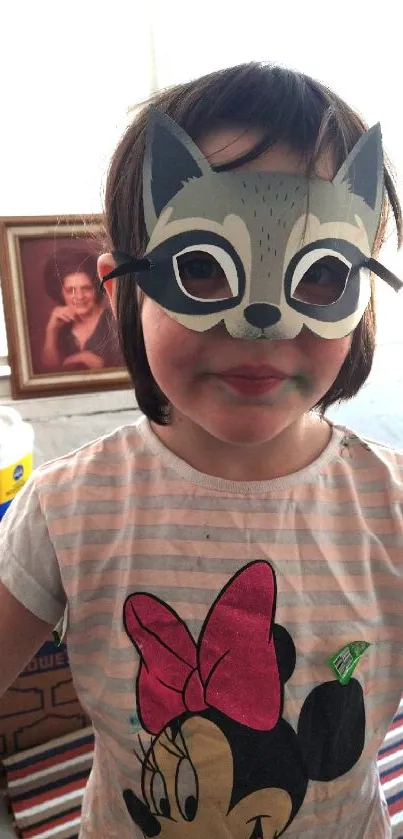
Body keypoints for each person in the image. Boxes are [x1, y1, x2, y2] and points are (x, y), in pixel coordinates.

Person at [0, 62, 403, 839]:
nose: (262, 320)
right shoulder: (67, 508)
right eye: (199, 268)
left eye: (317, 276)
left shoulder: (391, 510)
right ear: (124, 294)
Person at [41, 246, 122, 371]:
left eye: (86, 288)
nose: (79, 296)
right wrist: (51, 331)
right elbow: (49, 372)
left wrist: (102, 365)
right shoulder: (62, 328)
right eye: (70, 290)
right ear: (61, 293)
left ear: (96, 289)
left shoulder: (115, 321)